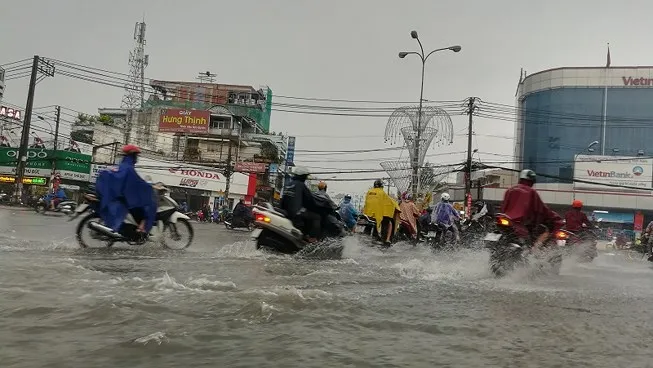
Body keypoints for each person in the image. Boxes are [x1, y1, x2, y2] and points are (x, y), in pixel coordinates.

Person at [95, 144, 157, 236]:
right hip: (121, 198)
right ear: (133, 156)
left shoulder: (123, 166)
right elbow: (138, 183)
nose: (137, 158)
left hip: (115, 196)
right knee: (149, 205)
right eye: (136, 155)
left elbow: (135, 182)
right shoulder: (128, 168)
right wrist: (150, 187)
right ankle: (141, 229)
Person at [500, 169, 563, 246]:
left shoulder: (510, 190)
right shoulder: (531, 192)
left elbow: (503, 207)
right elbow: (542, 209)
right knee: (537, 236)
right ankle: (533, 253)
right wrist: (556, 218)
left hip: (506, 221)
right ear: (532, 181)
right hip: (521, 224)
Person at [280, 167, 321, 242]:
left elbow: (283, 199)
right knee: (317, 217)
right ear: (302, 176)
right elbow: (309, 200)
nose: (305, 178)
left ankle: (304, 234)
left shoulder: (289, 184)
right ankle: (312, 238)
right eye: (305, 176)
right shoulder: (301, 185)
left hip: (286, 212)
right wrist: (316, 208)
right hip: (296, 213)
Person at [362, 179, 401, 246]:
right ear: (381, 186)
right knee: (390, 222)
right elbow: (390, 202)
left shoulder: (369, 192)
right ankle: (387, 240)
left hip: (368, 214)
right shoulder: (382, 193)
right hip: (378, 215)